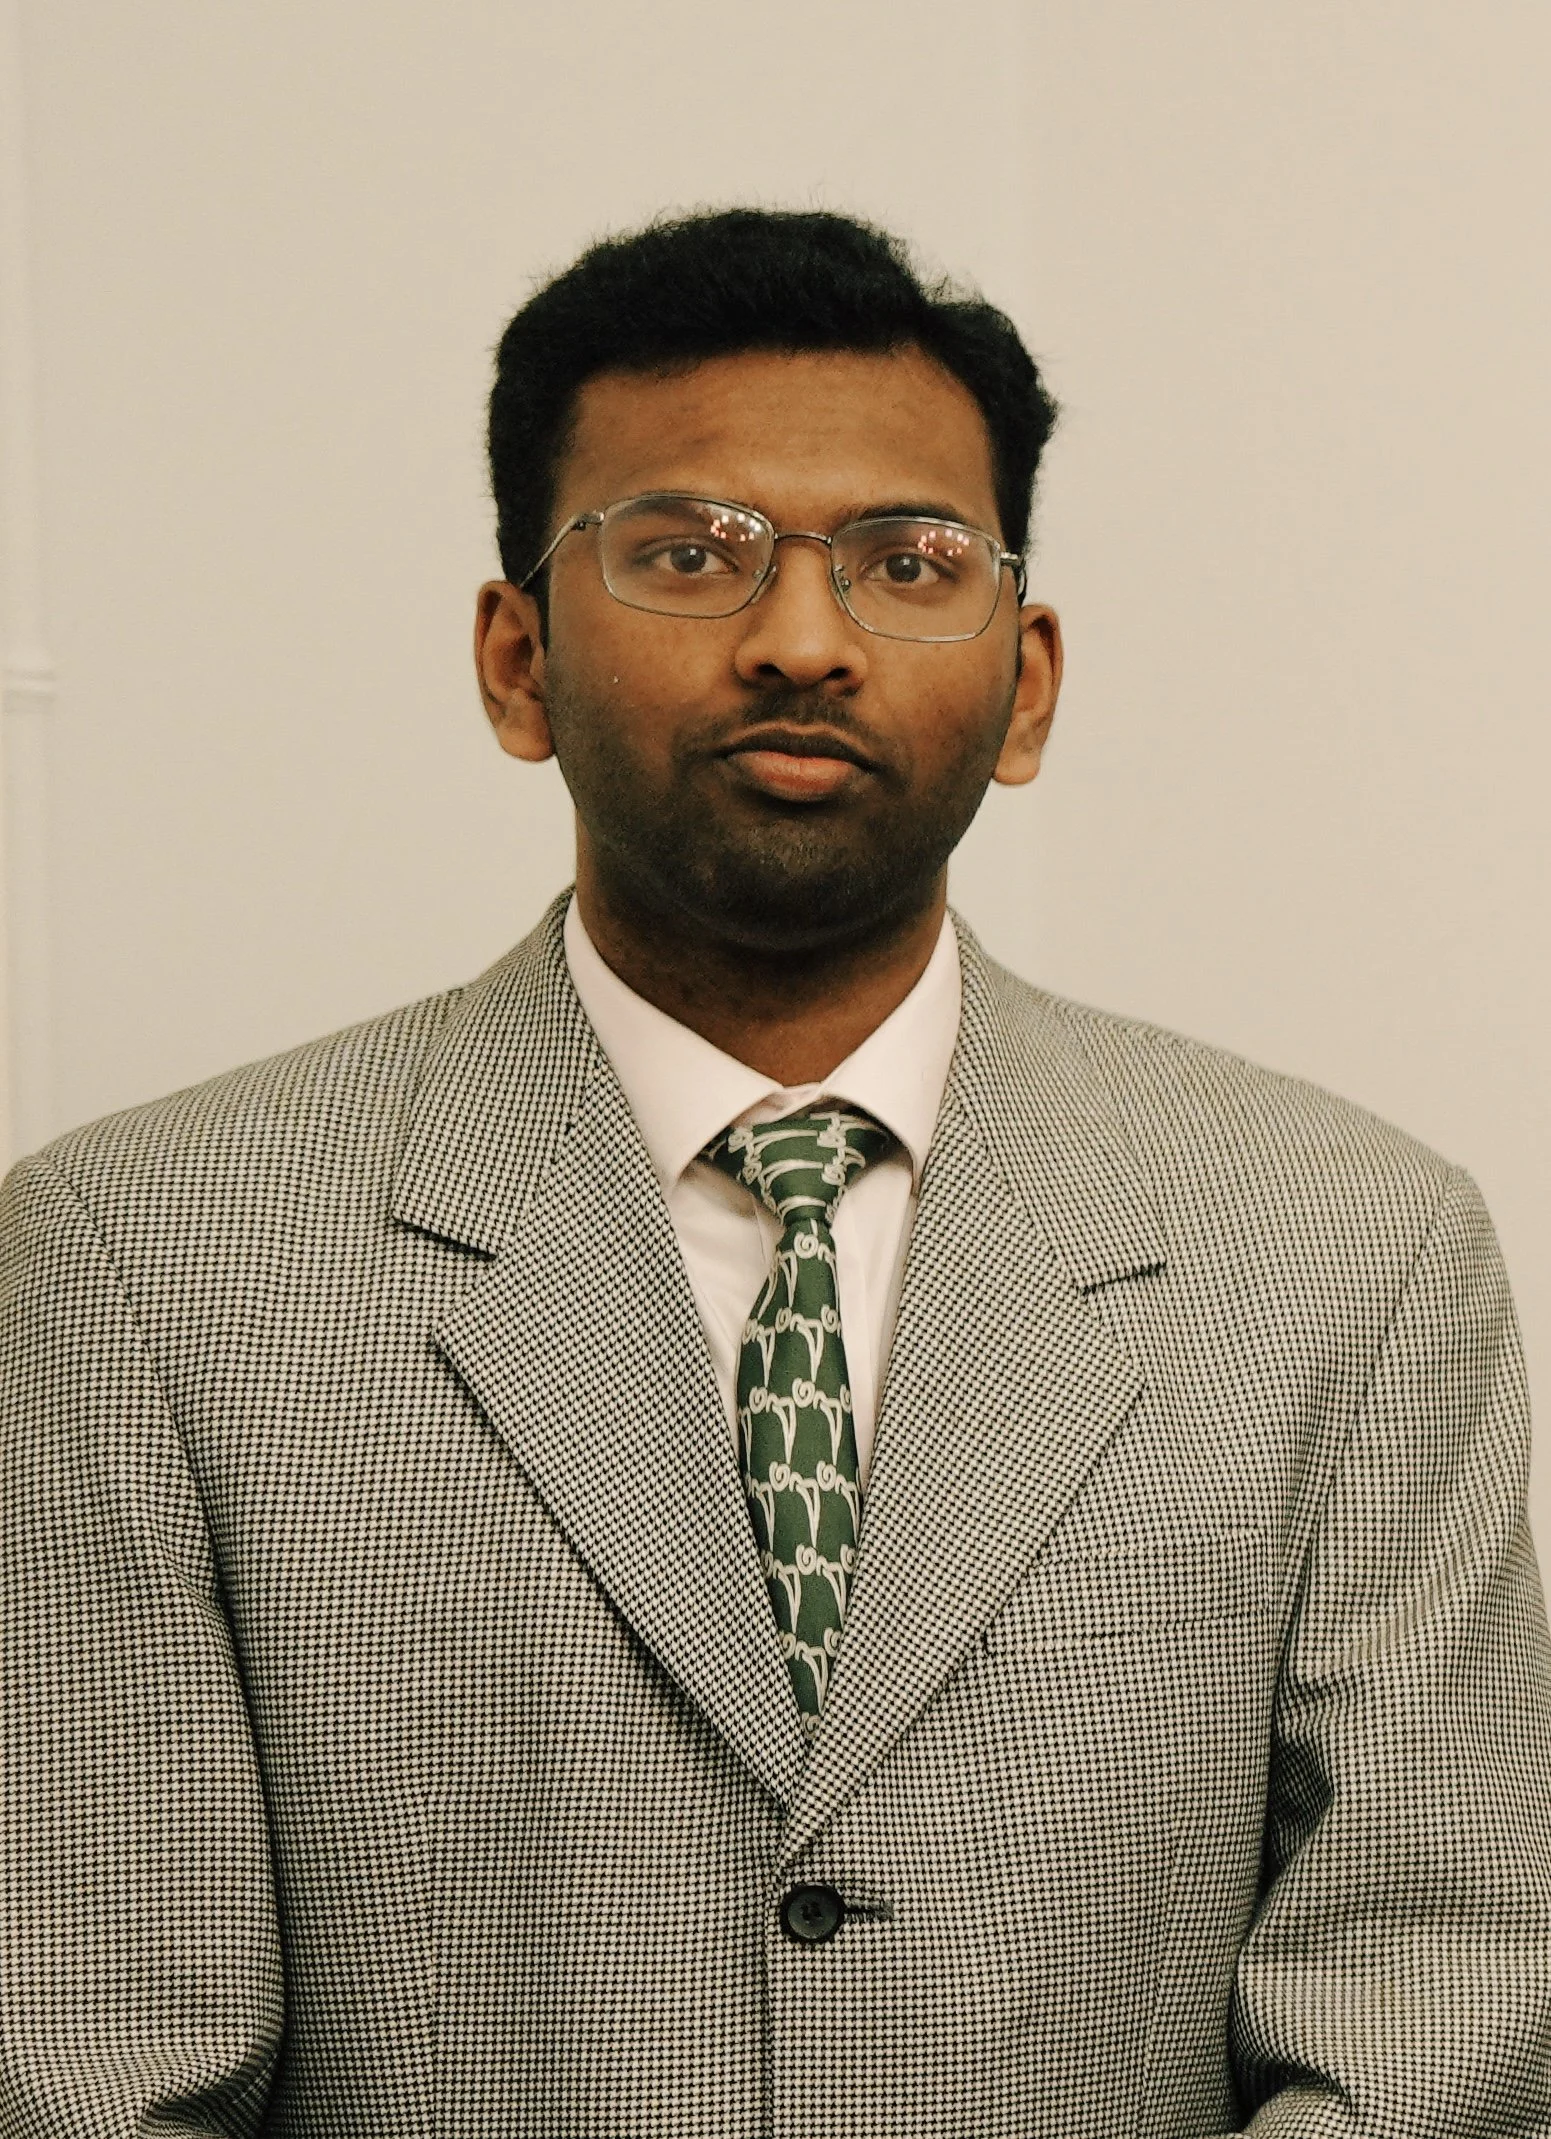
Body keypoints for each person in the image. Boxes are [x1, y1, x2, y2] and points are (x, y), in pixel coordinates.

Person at [3, 207, 1549, 2139]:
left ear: (1028, 681)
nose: (801, 639)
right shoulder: (138, 1261)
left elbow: (1437, 1996)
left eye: (908, 561)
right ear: (517, 661)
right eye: (686, 551)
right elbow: (89, 2055)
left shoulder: (1349, 1249)